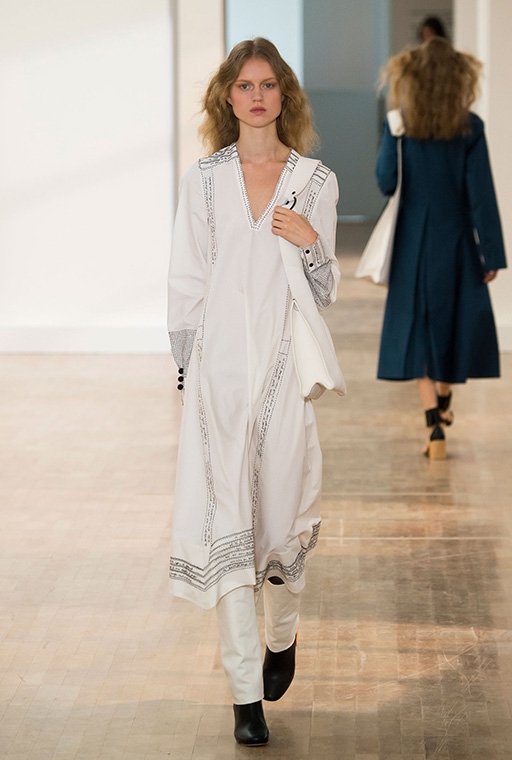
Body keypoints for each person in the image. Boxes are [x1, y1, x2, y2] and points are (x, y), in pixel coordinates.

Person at [167, 38, 340, 744]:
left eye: (269, 84)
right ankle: (245, 697)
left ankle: (283, 635)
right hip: (218, 380)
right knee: (228, 526)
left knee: (281, 519)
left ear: (284, 94)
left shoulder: (315, 181)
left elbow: (323, 292)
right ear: (228, 97)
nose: (258, 96)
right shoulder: (204, 181)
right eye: (245, 85)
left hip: (283, 377)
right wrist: (187, 377)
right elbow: (186, 282)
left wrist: (309, 241)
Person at [375, 37, 506, 459]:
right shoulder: (470, 127)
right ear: (458, 79)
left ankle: (433, 426)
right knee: (453, 325)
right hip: (457, 242)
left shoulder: (400, 125)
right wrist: (491, 253)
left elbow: (386, 181)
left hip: (413, 241)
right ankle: (445, 400)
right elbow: (481, 196)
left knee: (418, 329)